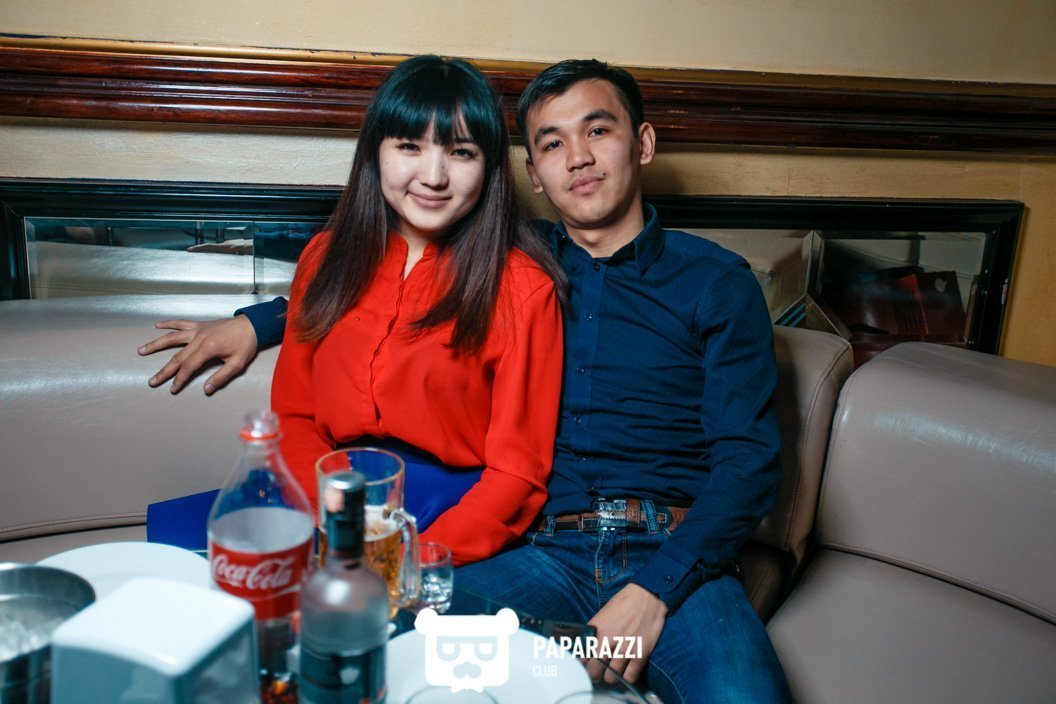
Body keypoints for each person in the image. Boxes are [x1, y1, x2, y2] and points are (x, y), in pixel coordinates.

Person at [140, 58, 790, 702]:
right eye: (552, 143)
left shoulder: (712, 282)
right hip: (547, 553)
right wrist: (260, 321)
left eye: (598, 131)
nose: (578, 158)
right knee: (373, 641)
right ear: (532, 175)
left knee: (746, 696)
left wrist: (653, 593)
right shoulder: (512, 259)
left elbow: (749, 463)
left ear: (641, 143)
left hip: (675, 556)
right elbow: (378, 289)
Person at [146, 55, 566, 567]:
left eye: (461, 152)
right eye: (409, 146)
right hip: (325, 496)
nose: (434, 176)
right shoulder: (325, 258)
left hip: (448, 521)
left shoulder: (524, 289)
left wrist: (416, 558)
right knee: (178, 569)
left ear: (490, 167)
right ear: (376, 152)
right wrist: (336, 513)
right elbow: (295, 415)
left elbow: (517, 475)